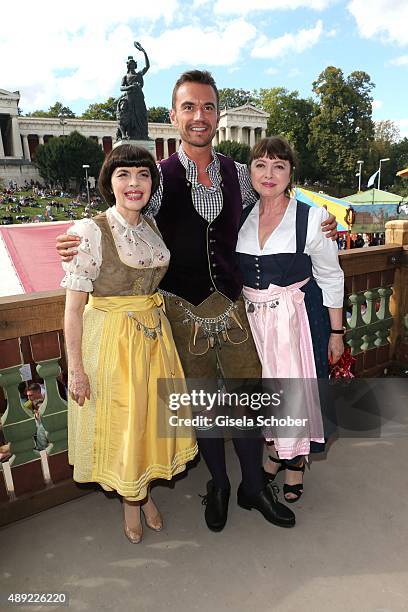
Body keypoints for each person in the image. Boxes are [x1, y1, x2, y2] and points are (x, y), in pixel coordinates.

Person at [56, 70, 337, 533]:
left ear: (218, 115)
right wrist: (74, 239)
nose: (199, 116)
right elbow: (121, 214)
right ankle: (220, 485)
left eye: (207, 107)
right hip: (180, 311)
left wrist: (320, 220)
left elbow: (275, 199)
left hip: (231, 304)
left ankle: (252, 487)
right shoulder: (158, 178)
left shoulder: (238, 173)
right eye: (188, 107)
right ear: (174, 116)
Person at [61, 144, 197, 544]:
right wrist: (77, 368)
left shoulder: (151, 227)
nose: (134, 183)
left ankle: (143, 492)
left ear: (151, 184)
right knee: (124, 425)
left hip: (155, 340)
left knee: (148, 425)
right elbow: (73, 307)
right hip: (113, 343)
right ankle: (132, 503)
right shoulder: (90, 230)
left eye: (142, 175)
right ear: (110, 182)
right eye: (124, 175)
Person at [236, 137, 344, 502]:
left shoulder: (312, 218)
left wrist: (336, 331)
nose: (269, 174)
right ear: (250, 171)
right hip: (253, 324)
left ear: (290, 173)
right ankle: (274, 451)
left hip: (295, 319)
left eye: (278, 166)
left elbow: (331, 276)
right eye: (261, 165)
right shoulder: (240, 217)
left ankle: (295, 463)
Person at [117, 42, 150, 140]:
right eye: (130, 63)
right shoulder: (125, 77)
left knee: (142, 116)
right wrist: (130, 86)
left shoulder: (139, 74)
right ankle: (130, 134)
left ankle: (143, 135)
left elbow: (147, 66)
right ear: (128, 65)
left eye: (133, 63)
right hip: (130, 98)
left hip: (139, 97)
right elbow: (121, 88)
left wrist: (144, 52)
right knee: (131, 118)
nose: (131, 64)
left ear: (135, 65)